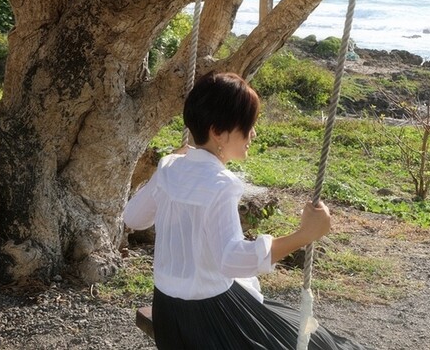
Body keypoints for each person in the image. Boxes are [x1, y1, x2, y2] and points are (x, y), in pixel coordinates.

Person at [124, 72, 367, 350]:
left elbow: (133, 218)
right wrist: (304, 235)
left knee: (300, 329)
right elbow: (231, 260)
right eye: (247, 126)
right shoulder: (221, 184)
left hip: (169, 313)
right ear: (217, 132)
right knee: (316, 344)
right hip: (208, 321)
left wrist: (170, 164)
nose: (253, 133)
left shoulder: (169, 167)